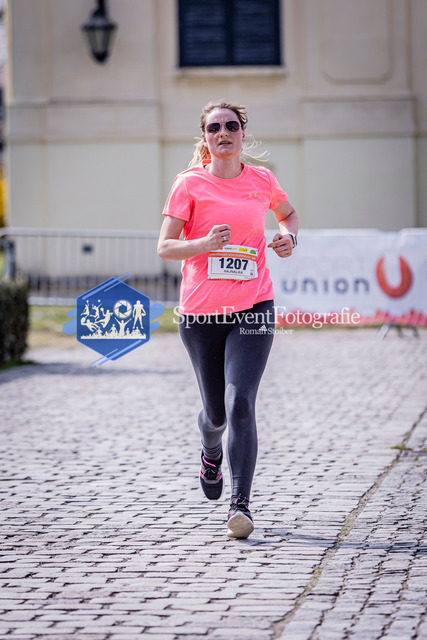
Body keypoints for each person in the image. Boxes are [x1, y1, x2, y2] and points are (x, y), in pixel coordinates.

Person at [157, 99, 298, 539]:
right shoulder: (189, 184)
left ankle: (241, 504)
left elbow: (288, 215)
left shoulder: (262, 180)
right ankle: (210, 448)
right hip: (201, 314)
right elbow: (165, 247)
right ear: (205, 138)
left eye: (231, 126)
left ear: (242, 134)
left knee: (240, 402)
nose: (223, 133)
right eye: (214, 127)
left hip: (254, 306)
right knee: (216, 415)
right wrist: (202, 244)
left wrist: (289, 237)